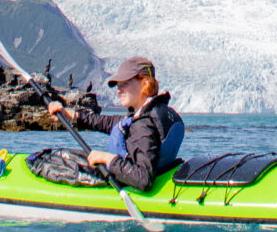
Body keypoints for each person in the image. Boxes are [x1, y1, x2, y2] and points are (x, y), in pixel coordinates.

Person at [47, 56, 186, 191]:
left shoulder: (144, 125)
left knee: (54, 160)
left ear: (145, 83)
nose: (119, 90)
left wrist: (109, 159)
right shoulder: (156, 112)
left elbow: (143, 179)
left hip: (131, 184)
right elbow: (110, 123)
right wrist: (73, 115)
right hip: (159, 174)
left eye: (125, 84)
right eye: (118, 85)